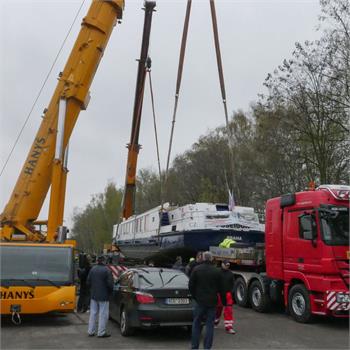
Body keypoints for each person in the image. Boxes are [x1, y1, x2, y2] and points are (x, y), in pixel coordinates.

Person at [189, 251, 221, 350]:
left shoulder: (196, 269)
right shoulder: (216, 271)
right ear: (211, 259)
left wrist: (195, 296)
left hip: (199, 301)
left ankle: (194, 347)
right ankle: (207, 348)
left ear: (203, 258)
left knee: (196, 324)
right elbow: (221, 287)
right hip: (212, 302)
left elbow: (191, 285)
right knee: (210, 325)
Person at [87, 255, 114, 337]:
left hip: (94, 295)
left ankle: (91, 331)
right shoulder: (107, 270)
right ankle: (101, 333)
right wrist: (110, 292)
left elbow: (88, 282)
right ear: (104, 261)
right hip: (104, 295)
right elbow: (110, 284)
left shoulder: (93, 269)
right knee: (103, 314)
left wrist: (92, 290)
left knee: (93, 313)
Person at [215, 260, 236, 334]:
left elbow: (233, 283)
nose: (227, 266)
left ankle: (229, 327)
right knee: (218, 309)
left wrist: (231, 291)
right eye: (226, 265)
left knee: (229, 310)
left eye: (228, 265)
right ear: (222, 264)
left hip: (227, 294)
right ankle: (215, 321)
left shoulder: (230, 273)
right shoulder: (217, 272)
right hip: (219, 293)